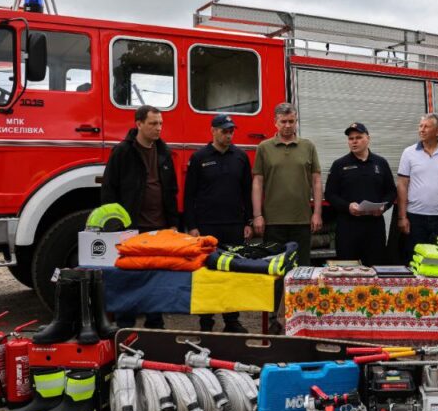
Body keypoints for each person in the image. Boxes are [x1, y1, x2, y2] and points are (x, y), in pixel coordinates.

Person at [101, 105, 178, 329]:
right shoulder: (123, 152)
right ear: (139, 124)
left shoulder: (164, 151)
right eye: (153, 123)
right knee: (128, 279)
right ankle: (125, 325)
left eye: (161, 123)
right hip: (131, 229)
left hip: (160, 229)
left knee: (156, 278)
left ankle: (155, 323)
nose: (158, 128)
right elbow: (109, 190)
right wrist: (115, 226)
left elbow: (171, 190)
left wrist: (173, 223)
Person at [252, 102, 322, 333]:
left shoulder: (308, 146)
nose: (288, 126)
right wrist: (258, 215)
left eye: (291, 121)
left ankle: (301, 315)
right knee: (274, 272)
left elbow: (316, 181)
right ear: (275, 122)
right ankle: (274, 318)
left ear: (296, 121)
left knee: (302, 270)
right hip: (273, 222)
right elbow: (258, 182)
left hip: (302, 221)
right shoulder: (264, 147)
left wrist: (317, 212)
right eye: (283, 121)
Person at [184, 113, 253, 333]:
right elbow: (189, 195)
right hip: (207, 227)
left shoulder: (240, 157)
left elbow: (247, 192)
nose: (229, 134)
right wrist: (192, 225)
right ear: (213, 131)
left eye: (231, 130)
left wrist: (248, 221)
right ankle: (206, 322)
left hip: (233, 225)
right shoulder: (200, 157)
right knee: (207, 275)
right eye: (224, 131)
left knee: (231, 273)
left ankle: (232, 320)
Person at [324, 122, 397, 266]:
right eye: (351, 139)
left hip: (374, 226)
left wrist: (384, 207)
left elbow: (391, 191)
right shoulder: (339, 164)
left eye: (358, 137)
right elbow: (330, 194)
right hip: (348, 226)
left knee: (375, 268)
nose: (354, 141)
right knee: (348, 269)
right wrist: (347, 206)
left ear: (368, 138)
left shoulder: (380, 163)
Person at [396, 113, 438, 261]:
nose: (422, 129)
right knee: (414, 258)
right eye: (420, 126)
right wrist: (402, 217)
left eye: (426, 126)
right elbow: (402, 185)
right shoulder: (409, 153)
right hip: (415, 218)